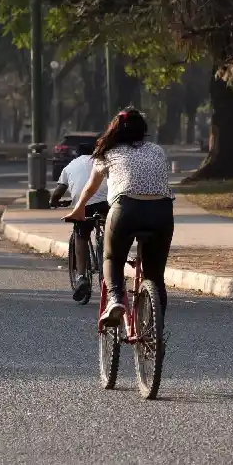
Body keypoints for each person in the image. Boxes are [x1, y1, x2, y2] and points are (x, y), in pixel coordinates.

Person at [64, 108, 175, 327]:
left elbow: (91, 187)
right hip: (162, 211)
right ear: (143, 129)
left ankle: (115, 299)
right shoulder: (157, 150)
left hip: (126, 209)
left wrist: (79, 209)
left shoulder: (107, 152)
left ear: (113, 129)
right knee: (155, 276)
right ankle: (156, 327)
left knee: (112, 258)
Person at [50, 142, 110, 301]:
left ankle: (81, 276)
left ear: (76, 154)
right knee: (110, 229)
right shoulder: (103, 161)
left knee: (81, 235)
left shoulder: (70, 166)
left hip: (85, 205)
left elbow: (59, 191)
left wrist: (54, 202)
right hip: (107, 203)